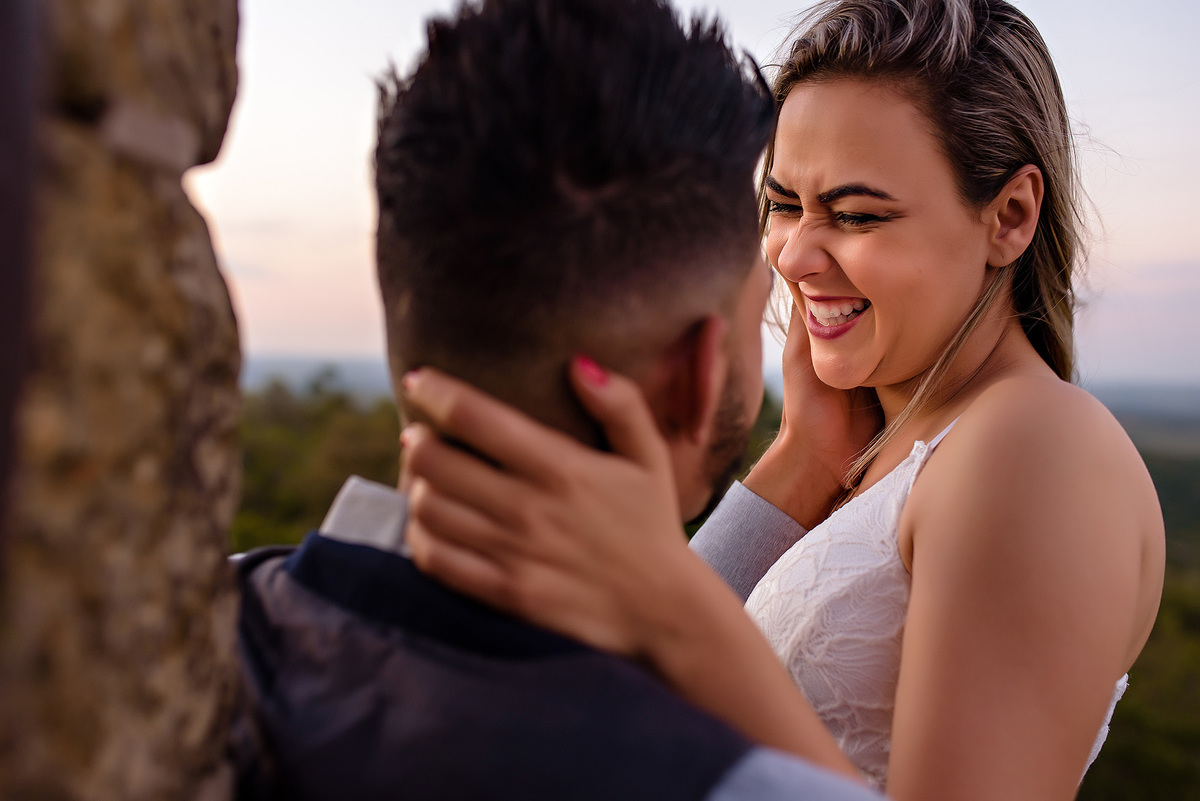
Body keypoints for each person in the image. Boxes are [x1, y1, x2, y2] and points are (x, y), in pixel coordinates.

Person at [398, 1, 1167, 799]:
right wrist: (804, 458)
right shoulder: (885, 449)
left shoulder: (1034, 445)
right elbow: (634, 691)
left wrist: (667, 599)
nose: (793, 255)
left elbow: (683, 657)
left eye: (857, 214)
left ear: (1009, 217)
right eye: (783, 204)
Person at [229, 0, 886, 798]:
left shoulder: (159, 630)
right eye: (756, 318)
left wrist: (802, 464)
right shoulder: (733, 781)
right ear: (698, 375)